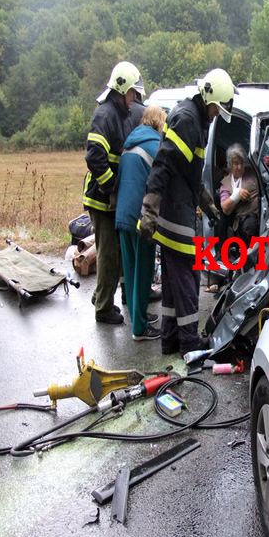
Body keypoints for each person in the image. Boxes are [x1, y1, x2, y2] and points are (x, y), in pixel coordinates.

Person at [140, 68, 234, 356]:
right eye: (219, 109)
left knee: (171, 282)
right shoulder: (188, 120)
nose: (219, 115)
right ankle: (190, 344)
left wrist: (207, 204)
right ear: (210, 100)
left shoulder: (194, 117)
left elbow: (190, 174)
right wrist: (149, 210)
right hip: (173, 215)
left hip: (177, 212)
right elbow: (163, 164)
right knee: (188, 281)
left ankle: (170, 340)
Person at [83, 61, 145, 324]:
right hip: (101, 198)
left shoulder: (118, 114)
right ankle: (103, 309)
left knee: (112, 252)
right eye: (132, 93)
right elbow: (94, 156)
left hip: (108, 198)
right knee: (107, 255)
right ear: (121, 91)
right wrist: (113, 187)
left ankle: (102, 296)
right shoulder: (106, 115)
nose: (134, 99)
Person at [115, 105, 167, 341]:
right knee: (144, 271)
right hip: (141, 217)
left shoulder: (129, 143)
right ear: (159, 122)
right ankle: (140, 328)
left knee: (131, 269)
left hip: (122, 214)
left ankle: (139, 317)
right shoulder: (155, 145)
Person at [219, 142, 259, 245]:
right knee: (251, 226)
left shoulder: (253, 172)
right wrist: (236, 195)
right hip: (247, 221)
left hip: (264, 214)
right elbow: (225, 209)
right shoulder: (226, 183)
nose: (240, 167)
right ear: (230, 164)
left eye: (242, 163)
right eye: (236, 164)